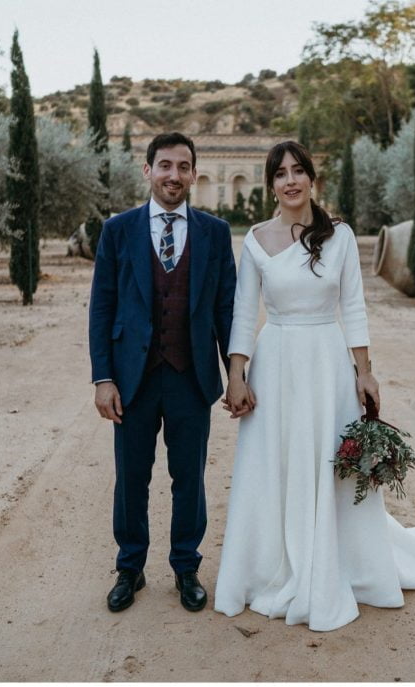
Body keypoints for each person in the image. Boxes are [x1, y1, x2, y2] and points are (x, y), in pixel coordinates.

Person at [214, 141, 415, 632]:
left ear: (312, 178)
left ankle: (338, 561)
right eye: (281, 173)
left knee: (332, 464)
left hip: (327, 363)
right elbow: (244, 313)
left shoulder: (340, 236)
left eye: (299, 171)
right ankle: (273, 565)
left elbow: (353, 306)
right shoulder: (258, 240)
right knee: (276, 464)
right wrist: (236, 374)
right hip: (277, 361)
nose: (291, 181)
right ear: (270, 184)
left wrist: (364, 370)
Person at [89, 132, 236, 613]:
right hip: (133, 378)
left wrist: (235, 371)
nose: (175, 175)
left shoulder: (215, 233)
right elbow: (102, 307)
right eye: (165, 165)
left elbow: (226, 308)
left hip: (191, 375)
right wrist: (103, 377)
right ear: (148, 170)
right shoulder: (118, 230)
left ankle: (186, 566)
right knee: (131, 477)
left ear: (194, 174)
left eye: (184, 166)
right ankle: (130, 568)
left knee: (188, 477)